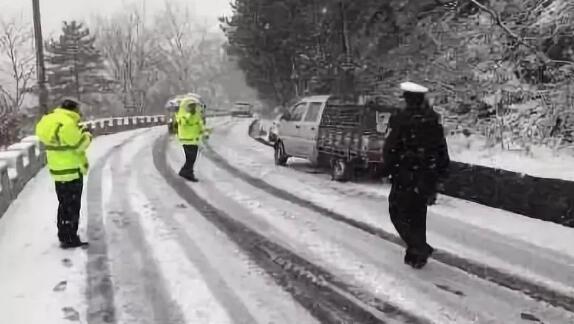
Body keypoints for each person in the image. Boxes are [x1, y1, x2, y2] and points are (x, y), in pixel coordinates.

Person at [381, 82, 450, 269]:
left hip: (405, 175)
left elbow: (391, 148)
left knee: (397, 212)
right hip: (427, 175)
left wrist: (386, 169)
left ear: (407, 98)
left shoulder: (401, 119)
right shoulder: (432, 120)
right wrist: (441, 175)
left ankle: (419, 247)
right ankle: (415, 256)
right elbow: (441, 149)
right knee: (418, 216)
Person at [35, 99, 92, 249]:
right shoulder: (67, 123)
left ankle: (64, 234)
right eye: (78, 109)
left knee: (64, 205)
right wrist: (87, 135)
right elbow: (79, 145)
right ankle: (70, 238)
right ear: (73, 109)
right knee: (72, 206)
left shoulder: (48, 120)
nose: (80, 113)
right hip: (71, 170)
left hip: (57, 170)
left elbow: (59, 140)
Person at [175, 98, 209, 182]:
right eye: (191, 106)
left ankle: (187, 172)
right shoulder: (182, 115)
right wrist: (189, 114)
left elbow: (200, 125)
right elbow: (183, 122)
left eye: (194, 106)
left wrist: (205, 133)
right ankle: (186, 172)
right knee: (191, 158)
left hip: (194, 140)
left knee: (192, 159)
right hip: (186, 140)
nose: (193, 108)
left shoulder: (196, 115)